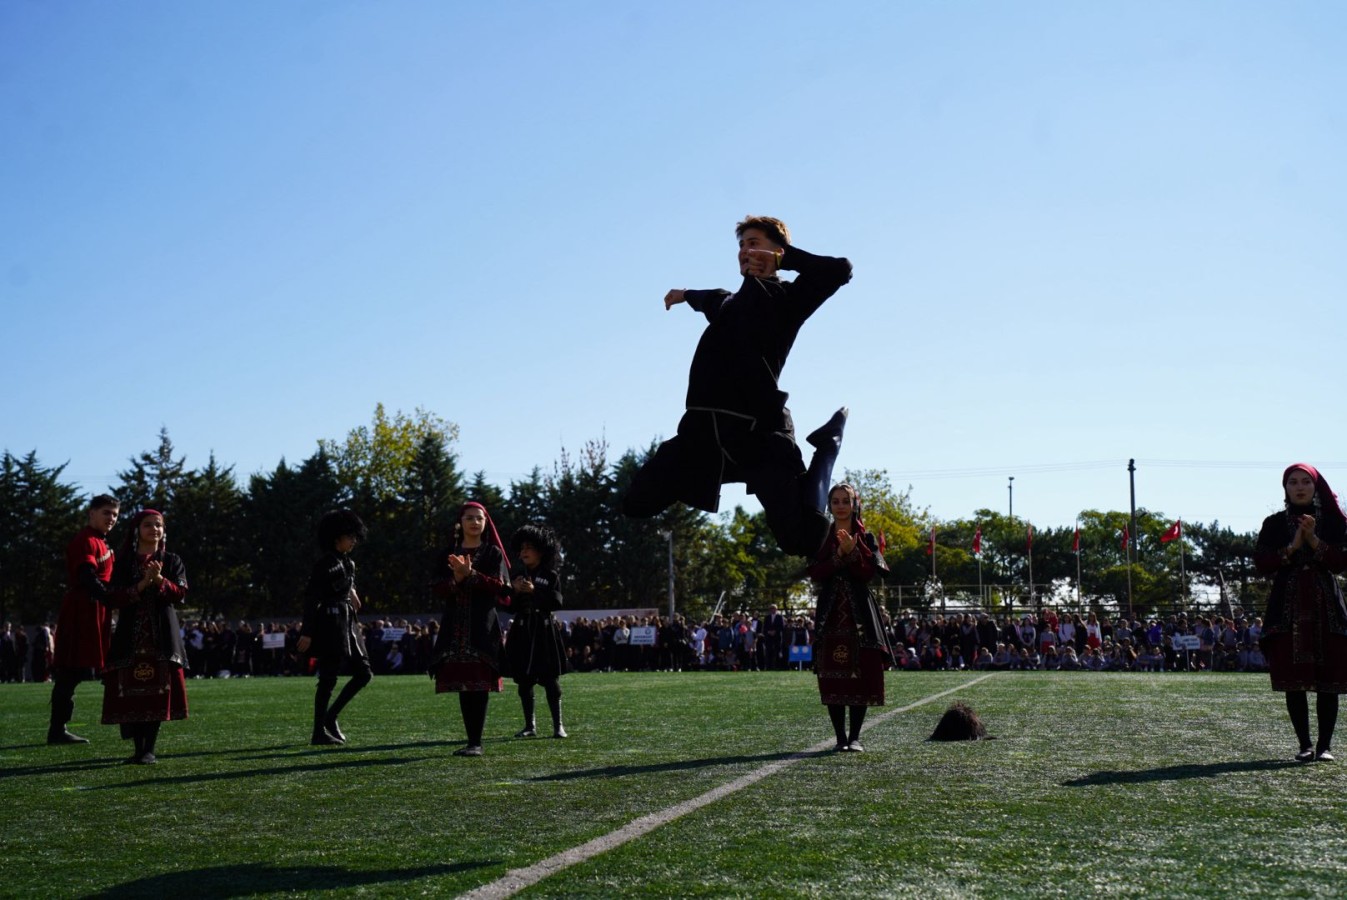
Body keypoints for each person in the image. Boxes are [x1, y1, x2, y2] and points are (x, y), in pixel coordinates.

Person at [622, 215, 853, 557]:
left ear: (778, 250)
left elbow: (840, 270)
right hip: (702, 433)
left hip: (759, 434)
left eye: (755, 242)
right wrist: (684, 294)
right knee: (635, 502)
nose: (746, 250)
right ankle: (706, 476)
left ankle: (827, 448)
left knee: (801, 541)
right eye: (742, 245)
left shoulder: (788, 300)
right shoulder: (727, 302)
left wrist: (787, 260)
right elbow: (707, 298)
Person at [1255, 464, 1347, 762]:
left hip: (1327, 607)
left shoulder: (1334, 523)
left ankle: (1325, 747)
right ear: (1286, 488)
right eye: (1292, 482)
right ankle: (1305, 745)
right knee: (1293, 679)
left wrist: (1314, 542)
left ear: (1315, 486)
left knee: (1328, 678)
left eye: (1305, 481)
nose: (1299, 487)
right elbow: (1262, 563)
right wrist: (1293, 546)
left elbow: (1340, 562)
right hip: (1288, 607)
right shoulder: (1274, 524)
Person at [807, 483, 893, 752]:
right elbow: (816, 573)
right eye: (835, 501)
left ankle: (855, 737)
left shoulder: (866, 537)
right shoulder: (821, 536)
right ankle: (840, 738)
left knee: (862, 671)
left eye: (846, 500)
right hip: (831, 613)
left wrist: (853, 552)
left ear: (855, 504)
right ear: (830, 505)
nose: (841, 505)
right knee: (832, 673)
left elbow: (869, 574)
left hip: (860, 612)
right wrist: (839, 555)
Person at [100, 510, 189, 764]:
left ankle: (149, 749)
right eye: (148, 525)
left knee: (157, 692)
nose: (154, 529)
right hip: (130, 638)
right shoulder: (124, 562)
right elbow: (113, 597)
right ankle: (137, 749)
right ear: (137, 530)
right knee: (130, 693)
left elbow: (181, 593)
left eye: (158, 525)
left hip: (160, 639)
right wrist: (141, 584)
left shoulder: (172, 561)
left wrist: (159, 579)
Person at [430, 502, 511, 756]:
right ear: (460, 522)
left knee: (479, 684)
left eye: (479, 518)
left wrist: (471, 574)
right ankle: (471, 741)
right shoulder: (447, 552)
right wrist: (456, 579)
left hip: (482, 627)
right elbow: (436, 588)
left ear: (486, 523)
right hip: (455, 627)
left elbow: (501, 587)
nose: (475, 522)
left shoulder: (492, 553)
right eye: (469, 518)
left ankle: (476, 742)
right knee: (464, 684)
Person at [48, 494, 120, 744]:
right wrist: (111, 598)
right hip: (82, 611)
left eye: (114, 514)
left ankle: (129, 723)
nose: (111, 518)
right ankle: (57, 730)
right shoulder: (85, 540)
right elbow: (87, 576)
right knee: (70, 672)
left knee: (109, 670)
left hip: (97, 612)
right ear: (91, 513)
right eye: (106, 512)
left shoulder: (104, 543)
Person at [296, 509, 372, 746]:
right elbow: (311, 598)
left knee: (364, 673)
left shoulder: (348, 562)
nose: (354, 540)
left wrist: (353, 594)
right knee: (328, 678)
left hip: (348, 621)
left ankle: (331, 716)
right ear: (336, 537)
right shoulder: (324, 565)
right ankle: (319, 731)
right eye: (350, 535)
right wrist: (307, 632)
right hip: (330, 622)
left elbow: (349, 587)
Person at [504, 523, 568, 739]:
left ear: (541, 550)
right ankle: (529, 726)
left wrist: (535, 591)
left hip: (544, 631)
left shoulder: (550, 576)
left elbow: (556, 602)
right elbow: (508, 606)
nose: (523, 552)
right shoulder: (517, 575)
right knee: (523, 681)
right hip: (522, 631)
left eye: (528, 547)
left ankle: (558, 725)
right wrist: (512, 591)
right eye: (521, 548)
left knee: (551, 680)